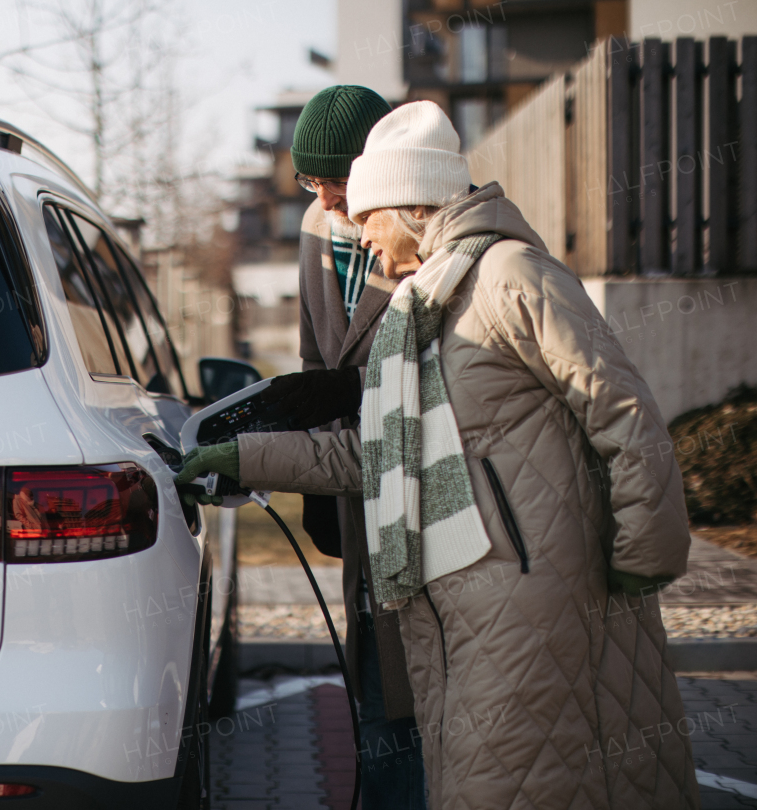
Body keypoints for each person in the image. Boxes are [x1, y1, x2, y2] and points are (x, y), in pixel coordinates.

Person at [178, 100, 699, 809]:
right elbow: (380, 455)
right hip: (451, 609)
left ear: (412, 204)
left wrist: (643, 553)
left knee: (511, 784)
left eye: (368, 218)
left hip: (529, 598)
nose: (359, 239)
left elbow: (622, 408)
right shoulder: (423, 305)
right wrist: (244, 457)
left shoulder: (511, 276)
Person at [251, 84, 429, 809]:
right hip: (350, 484)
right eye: (309, 180)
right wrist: (312, 480)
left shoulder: (420, 237)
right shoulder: (314, 227)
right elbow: (313, 353)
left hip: (415, 484)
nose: (323, 197)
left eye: (335, 180)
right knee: (370, 667)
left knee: (409, 691)